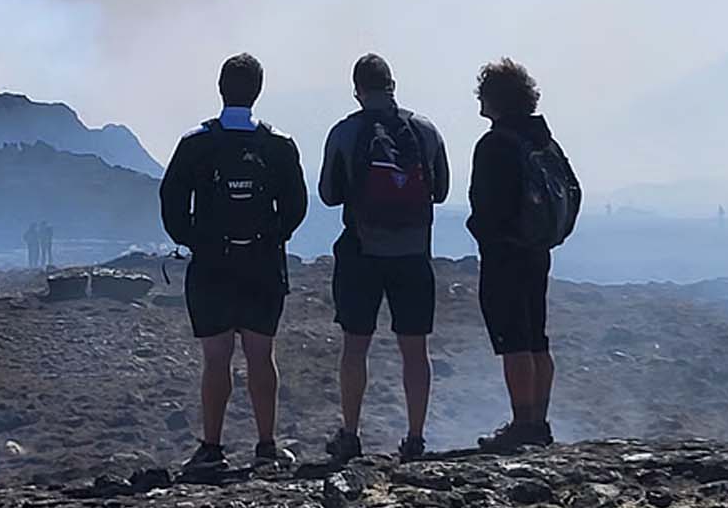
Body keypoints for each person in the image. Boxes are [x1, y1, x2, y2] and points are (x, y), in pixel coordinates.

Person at [160, 53, 309, 473]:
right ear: (258, 91)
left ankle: (211, 448)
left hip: (212, 266)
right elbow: (297, 205)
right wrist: (274, 236)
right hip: (262, 263)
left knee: (216, 358)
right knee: (261, 355)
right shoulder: (278, 145)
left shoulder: (196, 143)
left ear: (220, 88)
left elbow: (171, 201)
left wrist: (194, 239)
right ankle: (266, 446)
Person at [318, 54, 450, 464]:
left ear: (357, 90)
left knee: (355, 346)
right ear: (392, 85)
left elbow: (328, 194)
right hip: (413, 253)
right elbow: (441, 191)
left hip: (362, 252)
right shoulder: (425, 130)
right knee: (415, 349)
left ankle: (350, 434)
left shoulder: (346, 132)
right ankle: (415, 438)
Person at [466, 58, 579, 452]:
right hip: (538, 250)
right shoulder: (544, 142)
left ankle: (522, 423)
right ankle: (539, 422)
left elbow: (487, 206)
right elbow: (573, 191)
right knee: (536, 337)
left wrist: (483, 232)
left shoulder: (495, 144)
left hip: (505, 254)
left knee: (513, 339)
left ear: (495, 99)